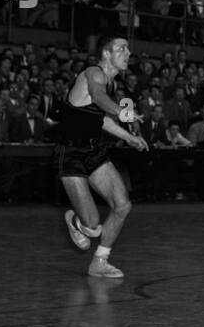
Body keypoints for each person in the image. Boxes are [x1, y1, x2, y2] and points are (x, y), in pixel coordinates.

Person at [55, 37, 150, 278]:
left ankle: (100, 261)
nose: (127, 52)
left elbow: (99, 118)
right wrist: (122, 111)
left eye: (128, 48)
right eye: (121, 48)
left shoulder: (112, 84)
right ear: (106, 54)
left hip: (94, 151)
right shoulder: (93, 73)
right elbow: (98, 98)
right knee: (93, 226)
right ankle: (78, 222)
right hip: (71, 153)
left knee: (122, 205)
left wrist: (128, 138)